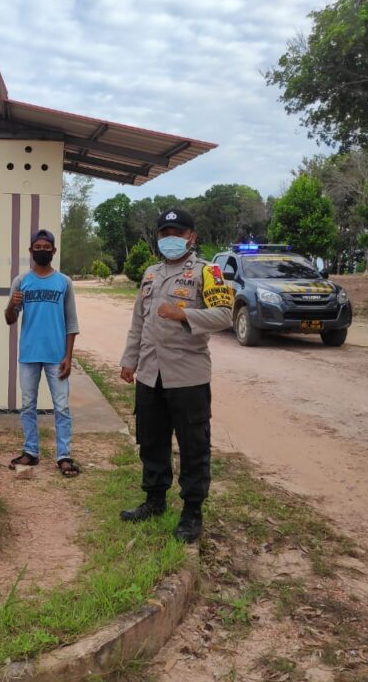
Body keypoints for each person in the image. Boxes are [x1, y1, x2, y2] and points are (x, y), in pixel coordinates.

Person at [118, 209, 233, 542]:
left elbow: (224, 316)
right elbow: (138, 322)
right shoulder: (150, 274)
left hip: (187, 376)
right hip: (150, 373)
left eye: (177, 233)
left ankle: (192, 512)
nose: (170, 238)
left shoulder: (207, 272)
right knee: (151, 440)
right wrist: (129, 360)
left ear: (191, 237)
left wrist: (183, 314)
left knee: (193, 445)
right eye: (165, 232)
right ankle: (154, 500)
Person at [4, 229, 81, 477]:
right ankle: (31, 451)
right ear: (30, 251)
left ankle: (64, 456)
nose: (42, 251)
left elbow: (71, 323)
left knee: (62, 407)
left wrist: (68, 356)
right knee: (28, 406)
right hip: (29, 355)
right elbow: (9, 319)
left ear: (54, 251)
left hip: (56, 357)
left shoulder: (64, 282)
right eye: (37, 248)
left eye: (46, 248)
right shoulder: (21, 281)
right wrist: (12, 304)